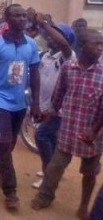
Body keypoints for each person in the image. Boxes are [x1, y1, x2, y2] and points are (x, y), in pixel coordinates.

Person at [31, 29, 103, 219]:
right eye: (96, 44)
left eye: (101, 44)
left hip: (92, 136)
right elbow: (59, 94)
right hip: (68, 128)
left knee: (89, 173)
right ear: (81, 46)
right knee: (55, 167)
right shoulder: (68, 68)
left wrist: (94, 130)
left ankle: (83, 205)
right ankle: (44, 197)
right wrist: (49, 113)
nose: (100, 48)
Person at [0, 4, 41, 210]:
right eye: (17, 15)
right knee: (5, 142)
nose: (22, 19)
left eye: (24, 16)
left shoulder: (31, 45)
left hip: (19, 102)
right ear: (7, 19)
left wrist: (35, 102)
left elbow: (34, 73)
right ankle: (10, 191)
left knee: (6, 144)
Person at [31, 15, 75, 189]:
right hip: (46, 108)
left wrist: (47, 25)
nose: (50, 37)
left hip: (59, 110)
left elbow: (64, 44)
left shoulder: (67, 57)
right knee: (53, 140)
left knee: (41, 136)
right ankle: (53, 169)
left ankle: (49, 175)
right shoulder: (45, 56)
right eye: (49, 34)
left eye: (55, 35)